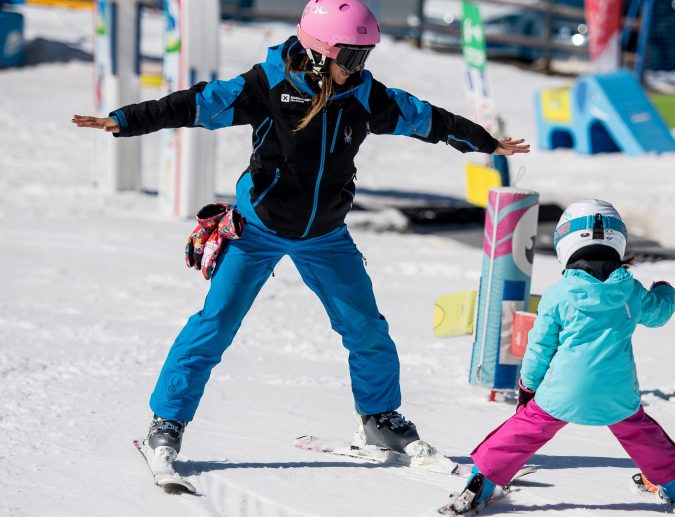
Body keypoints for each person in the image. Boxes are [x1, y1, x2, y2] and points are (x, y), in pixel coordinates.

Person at [72, 0, 529, 471]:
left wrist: (485, 141)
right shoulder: (266, 86)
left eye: (364, 56)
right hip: (256, 232)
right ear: (316, 52)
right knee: (214, 326)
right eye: (350, 57)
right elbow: (195, 103)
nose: (358, 68)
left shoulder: (364, 96)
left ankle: (379, 417)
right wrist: (125, 120)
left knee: (367, 328)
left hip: (326, 236)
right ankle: (166, 423)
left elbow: (427, 119)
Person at [446, 200, 675, 517]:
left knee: (521, 433)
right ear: (618, 240)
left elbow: (539, 348)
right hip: (617, 395)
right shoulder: (631, 292)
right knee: (642, 435)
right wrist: (665, 289)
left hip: (560, 395)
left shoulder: (558, 295)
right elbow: (659, 313)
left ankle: (481, 481)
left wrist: (528, 388)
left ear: (564, 243)